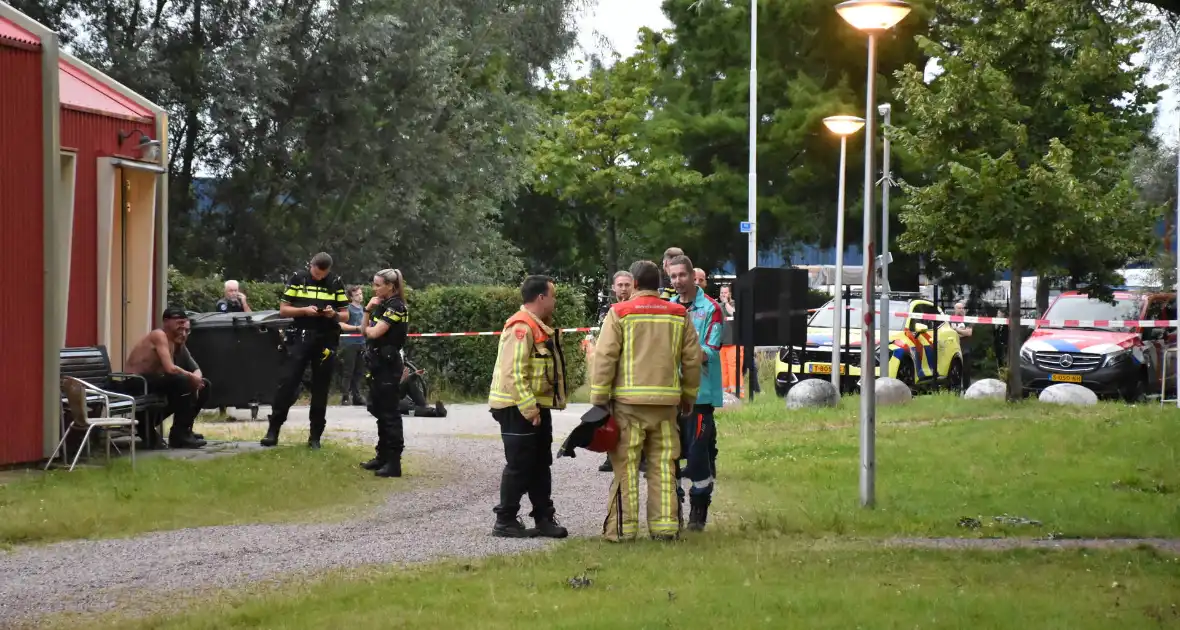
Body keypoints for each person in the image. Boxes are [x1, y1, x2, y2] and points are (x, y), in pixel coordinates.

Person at [591, 260, 702, 542]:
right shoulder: (679, 314)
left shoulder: (620, 312)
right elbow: (692, 359)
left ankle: (622, 531)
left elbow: (605, 358)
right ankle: (664, 529)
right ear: (660, 283)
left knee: (625, 467)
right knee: (664, 465)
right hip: (666, 406)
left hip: (628, 406)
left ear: (635, 285)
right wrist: (688, 396)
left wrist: (599, 398)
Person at [487, 275, 569, 539]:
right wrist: (529, 409)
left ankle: (543, 517)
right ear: (541, 298)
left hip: (532, 406)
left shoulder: (537, 326)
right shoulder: (521, 327)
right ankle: (505, 520)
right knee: (520, 464)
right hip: (517, 407)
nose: (554, 301)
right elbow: (513, 373)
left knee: (540, 464)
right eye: (553, 296)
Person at [260, 252, 350, 449]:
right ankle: (273, 430)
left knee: (321, 387)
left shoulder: (336, 282)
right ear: (311, 266)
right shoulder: (297, 278)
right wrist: (304, 310)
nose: (318, 278)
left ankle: (315, 436)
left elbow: (345, 315)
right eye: (316, 273)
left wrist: (333, 313)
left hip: (326, 338)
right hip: (300, 335)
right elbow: (284, 309)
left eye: (322, 275)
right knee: (287, 382)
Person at [668, 255, 723, 531]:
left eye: (682, 275)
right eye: (673, 276)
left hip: (700, 397)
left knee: (698, 454)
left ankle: (699, 506)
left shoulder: (711, 308)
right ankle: (674, 507)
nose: (677, 281)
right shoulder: (668, 308)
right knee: (671, 455)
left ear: (692, 276)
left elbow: (709, 352)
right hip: (670, 396)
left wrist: (680, 353)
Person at [121, 307, 210, 449]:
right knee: (183, 382)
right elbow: (170, 368)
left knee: (205, 385)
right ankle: (159, 428)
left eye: (186, 328)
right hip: (136, 382)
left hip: (153, 382)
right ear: (166, 322)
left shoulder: (177, 341)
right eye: (179, 323)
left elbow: (195, 368)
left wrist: (197, 380)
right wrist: (191, 378)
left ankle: (181, 432)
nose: (183, 331)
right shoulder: (159, 335)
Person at [358, 269, 409, 478]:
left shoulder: (396, 306)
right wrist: (367, 311)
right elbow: (363, 330)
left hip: (389, 366)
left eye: (378, 285)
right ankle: (382, 456)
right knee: (376, 408)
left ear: (391, 286)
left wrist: (369, 317)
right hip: (377, 365)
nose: (374, 288)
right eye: (374, 284)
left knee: (390, 414)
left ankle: (394, 463)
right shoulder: (382, 306)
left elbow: (374, 332)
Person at [597, 270, 636, 474]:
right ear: (613, 288)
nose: (623, 289)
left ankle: (640, 457)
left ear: (633, 286)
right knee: (610, 414)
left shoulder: (637, 309)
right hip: (614, 368)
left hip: (634, 369)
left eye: (626, 285)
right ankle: (611, 456)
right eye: (619, 285)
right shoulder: (607, 310)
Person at [337, 286, 368, 405]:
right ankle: (345, 396)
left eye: (361, 294)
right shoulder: (348, 309)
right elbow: (342, 325)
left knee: (359, 371)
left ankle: (357, 396)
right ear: (351, 297)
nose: (360, 296)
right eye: (357, 295)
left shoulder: (363, 309)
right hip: (349, 343)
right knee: (348, 371)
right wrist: (356, 328)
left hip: (362, 342)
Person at [951, 301, 974, 389]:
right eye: (959, 308)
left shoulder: (967, 320)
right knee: (955, 371)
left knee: (966, 372)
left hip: (966, 350)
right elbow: (951, 333)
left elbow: (969, 333)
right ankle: (955, 390)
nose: (961, 310)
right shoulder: (951, 319)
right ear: (955, 309)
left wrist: (956, 329)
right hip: (954, 349)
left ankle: (966, 390)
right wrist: (962, 332)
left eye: (962, 308)